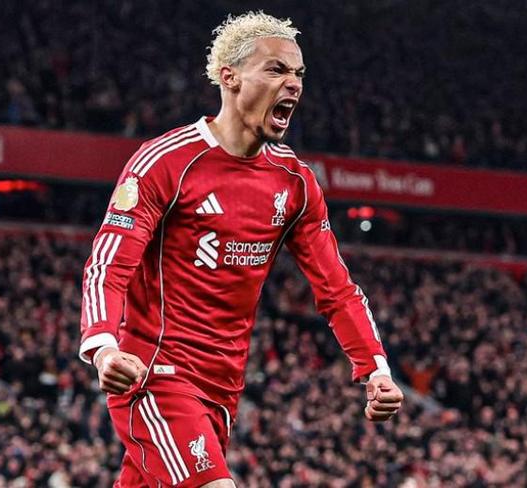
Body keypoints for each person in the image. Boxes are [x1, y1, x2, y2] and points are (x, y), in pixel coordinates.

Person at [79, 11, 403, 487]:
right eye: (276, 69)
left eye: (298, 73)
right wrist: (103, 347)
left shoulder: (294, 183)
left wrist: (375, 367)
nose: (293, 83)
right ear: (230, 78)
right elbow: (108, 265)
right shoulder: (166, 162)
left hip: (223, 389)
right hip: (153, 376)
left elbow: (338, 291)